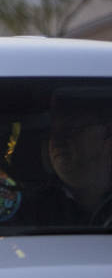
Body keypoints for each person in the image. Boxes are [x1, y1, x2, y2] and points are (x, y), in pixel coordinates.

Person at [24, 96, 112, 227]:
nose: (58, 140)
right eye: (51, 133)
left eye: (71, 129)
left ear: (107, 132)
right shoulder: (30, 210)